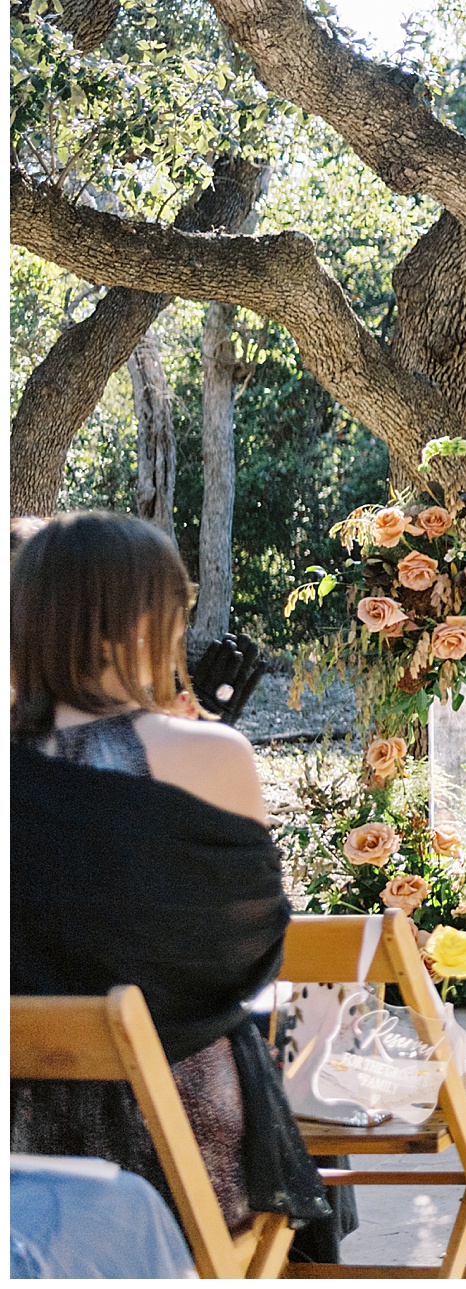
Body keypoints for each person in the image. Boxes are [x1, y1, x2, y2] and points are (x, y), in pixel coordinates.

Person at [10, 512, 334, 1246]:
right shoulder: (206, 754)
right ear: (141, 623)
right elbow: (250, 961)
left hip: (16, 1155)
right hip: (167, 1155)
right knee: (269, 1051)